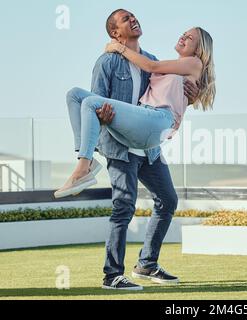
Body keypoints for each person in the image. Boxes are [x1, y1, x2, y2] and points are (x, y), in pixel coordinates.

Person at [60, 9, 211, 291]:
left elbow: (167, 96)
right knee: (124, 207)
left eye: (133, 16)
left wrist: (189, 96)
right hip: (120, 147)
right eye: (125, 19)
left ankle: (147, 264)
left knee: (167, 200)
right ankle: (112, 275)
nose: (133, 19)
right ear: (115, 33)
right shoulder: (106, 62)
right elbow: (95, 103)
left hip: (148, 147)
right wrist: (103, 116)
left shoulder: (151, 61)